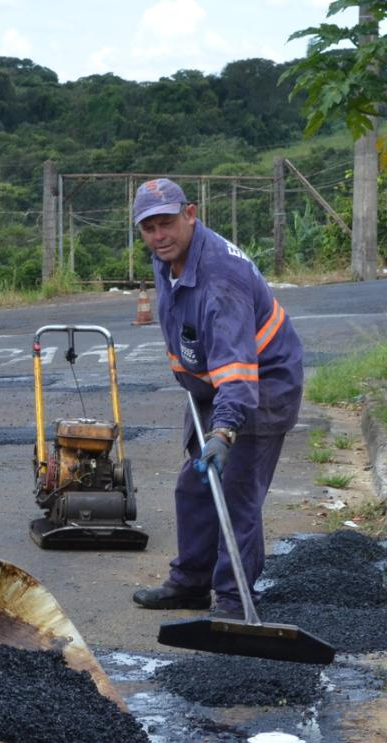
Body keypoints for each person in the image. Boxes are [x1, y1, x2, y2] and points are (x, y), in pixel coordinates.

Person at [131, 178, 304, 619]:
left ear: (190, 213)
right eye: (148, 228)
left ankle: (232, 602)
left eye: (167, 223)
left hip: (261, 385)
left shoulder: (220, 281)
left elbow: (240, 370)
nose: (159, 235)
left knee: (236, 493)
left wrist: (224, 431)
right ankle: (190, 583)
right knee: (195, 484)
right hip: (211, 385)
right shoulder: (167, 258)